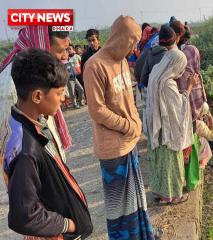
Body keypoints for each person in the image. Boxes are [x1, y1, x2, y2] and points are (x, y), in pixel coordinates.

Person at [3, 48, 92, 239]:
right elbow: (24, 215)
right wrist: (67, 224)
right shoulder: (26, 149)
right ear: (37, 96)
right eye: (59, 92)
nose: (64, 98)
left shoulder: (24, 121)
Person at [84, 15, 154, 240]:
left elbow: (127, 99)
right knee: (119, 208)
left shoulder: (123, 60)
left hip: (129, 142)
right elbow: (97, 110)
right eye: (131, 41)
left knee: (136, 198)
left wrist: (136, 121)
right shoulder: (95, 65)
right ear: (118, 38)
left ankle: (142, 235)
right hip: (112, 148)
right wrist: (127, 126)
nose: (134, 47)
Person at [0, 26, 73, 163]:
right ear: (41, 45)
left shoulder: (39, 74)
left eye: (66, 49)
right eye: (60, 51)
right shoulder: (12, 85)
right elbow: (13, 148)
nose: (65, 56)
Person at [146, 47, 194, 204]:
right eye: (181, 66)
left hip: (155, 126)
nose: (181, 70)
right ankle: (173, 196)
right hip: (166, 130)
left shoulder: (155, 73)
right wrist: (189, 87)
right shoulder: (167, 83)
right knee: (171, 163)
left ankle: (160, 192)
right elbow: (179, 107)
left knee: (159, 162)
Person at [177, 25, 208, 191]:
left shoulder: (174, 54)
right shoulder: (192, 50)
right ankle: (192, 180)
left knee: (186, 142)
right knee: (192, 141)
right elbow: (197, 70)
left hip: (180, 102)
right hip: (193, 98)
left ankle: (187, 178)